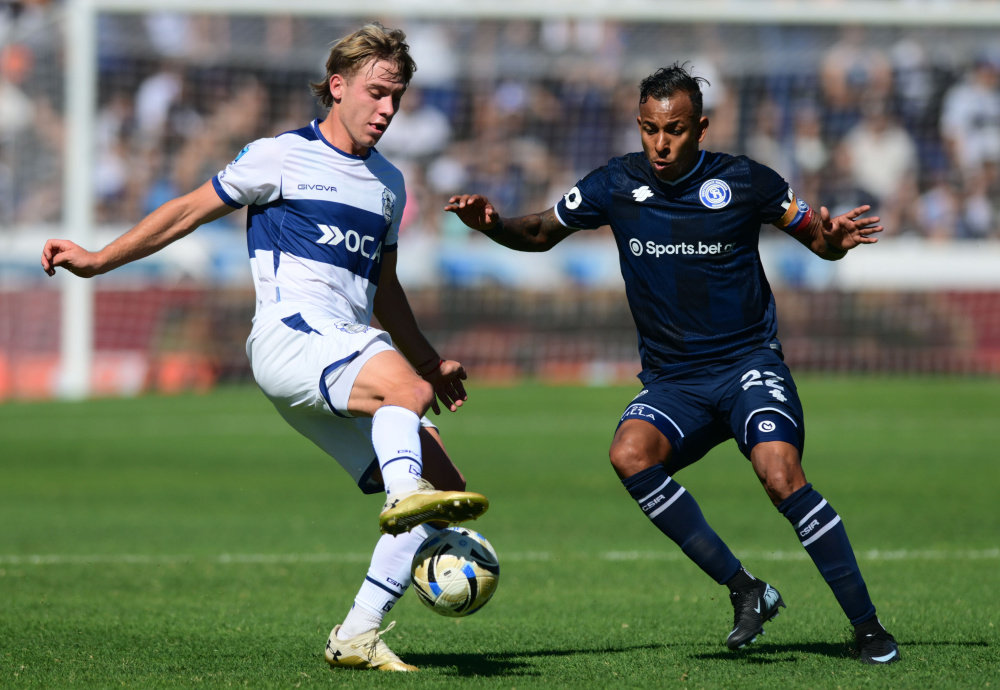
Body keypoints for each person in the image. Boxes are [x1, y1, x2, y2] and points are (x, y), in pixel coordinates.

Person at [41, 23, 488, 673]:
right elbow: (186, 211)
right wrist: (98, 258)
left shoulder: (388, 184)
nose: (388, 109)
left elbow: (385, 285)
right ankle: (401, 495)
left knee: (444, 486)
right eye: (377, 92)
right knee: (407, 432)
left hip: (342, 349)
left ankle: (358, 634)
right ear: (338, 86)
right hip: (290, 337)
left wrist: (428, 361)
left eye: (397, 97)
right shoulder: (280, 156)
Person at [446, 64, 900, 665]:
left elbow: (819, 239)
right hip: (675, 381)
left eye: (675, 130)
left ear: (700, 129)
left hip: (746, 365)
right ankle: (747, 590)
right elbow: (539, 232)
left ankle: (869, 629)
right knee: (628, 454)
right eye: (650, 129)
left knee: (780, 473)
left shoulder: (747, 181)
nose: (660, 143)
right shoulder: (615, 183)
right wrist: (492, 224)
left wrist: (835, 239)